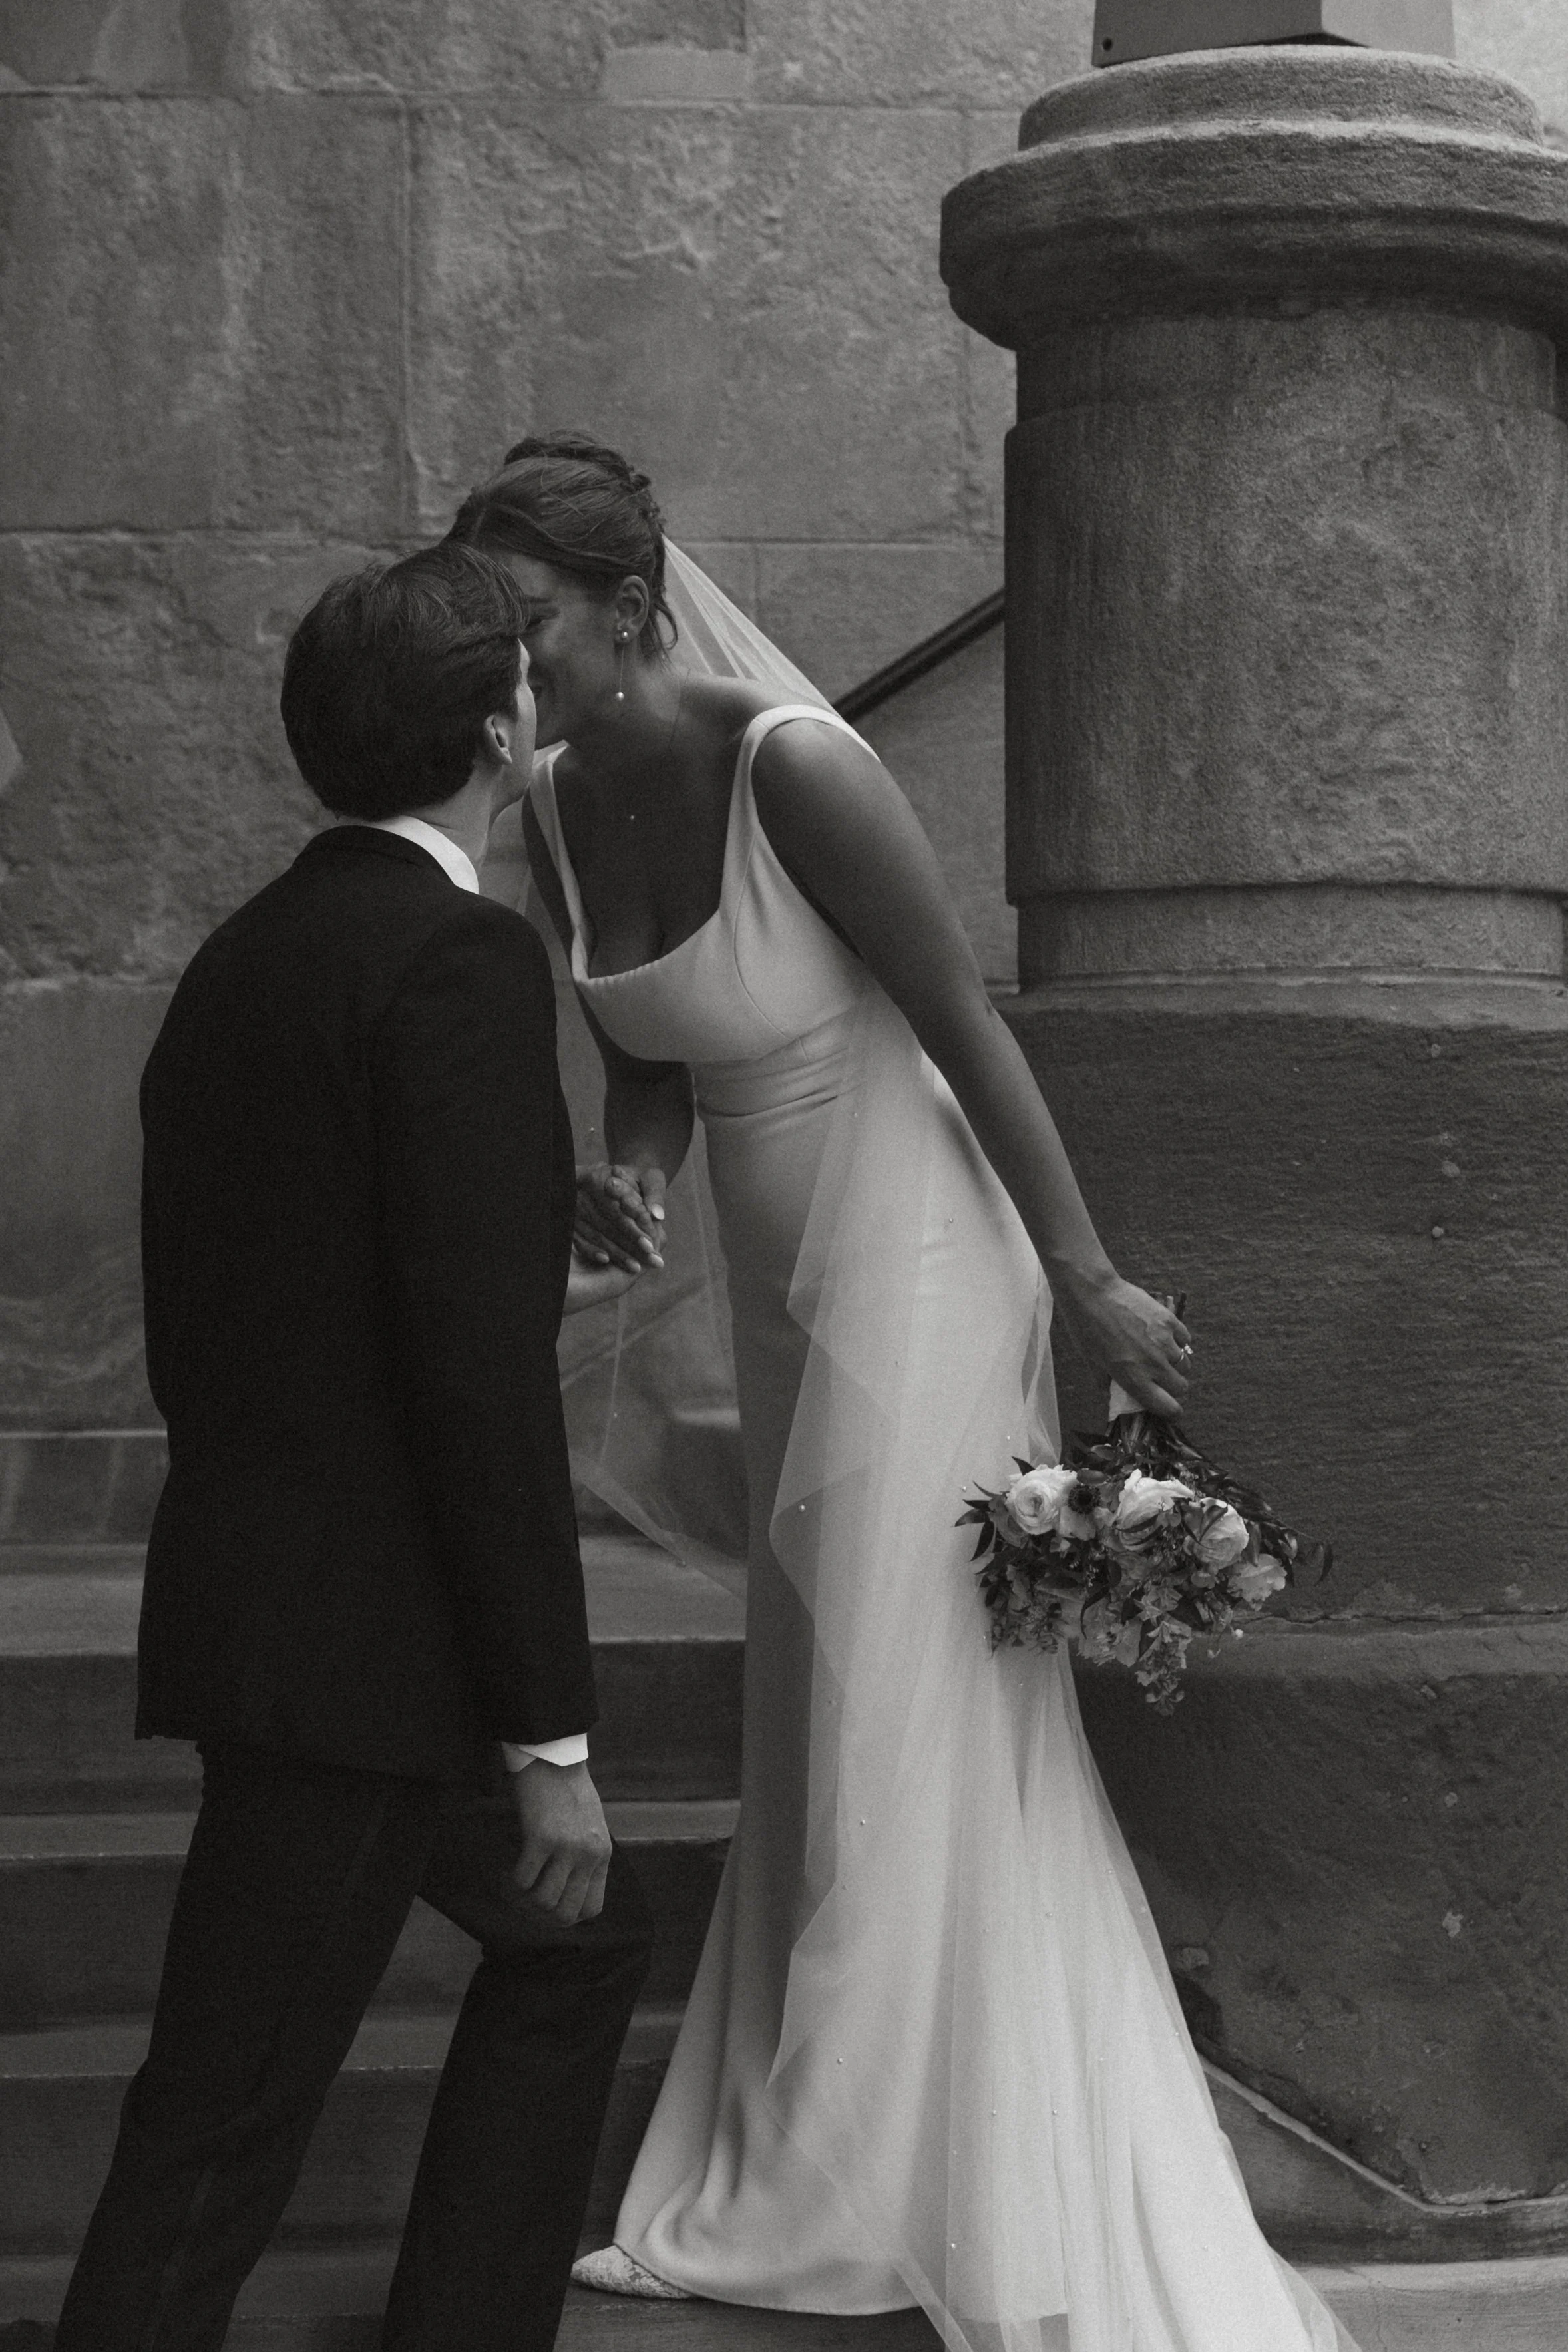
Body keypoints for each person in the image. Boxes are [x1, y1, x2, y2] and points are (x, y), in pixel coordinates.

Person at [449, 437, 1360, 2352]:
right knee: (818, 1687)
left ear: (631, 606)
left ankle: (851, 2181)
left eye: (530, 628)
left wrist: (1091, 1268)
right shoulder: (542, 802)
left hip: (927, 1242)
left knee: (893, 1680)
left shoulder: (798, 766)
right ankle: (832, 2114)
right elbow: (649, 1052)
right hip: (783, 1277)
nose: (507, 670)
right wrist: (627, 1166)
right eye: (489, 636)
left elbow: (960, 1017)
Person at [54, 542, 654, 2352]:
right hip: (365, 1661)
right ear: (497, 723)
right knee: (222, 2119)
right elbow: (476, 1389)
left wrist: (511, 1197)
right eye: (530, 680)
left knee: (574, 1954)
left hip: (283, 1607)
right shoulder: (463, 957)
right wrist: (550, 1734)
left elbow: (261, 1275)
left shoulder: (250, 952)